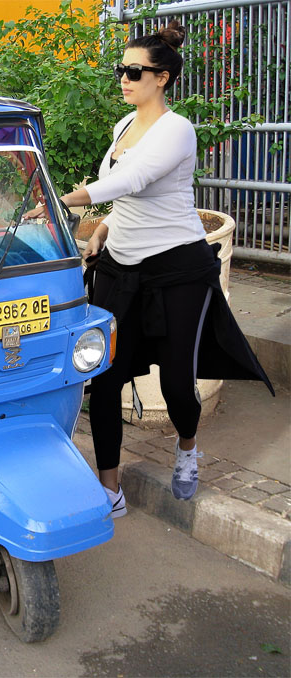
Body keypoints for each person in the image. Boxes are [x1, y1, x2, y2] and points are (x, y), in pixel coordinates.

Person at [53, 21, 273, 517]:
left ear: (163, 79)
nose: (124, 79)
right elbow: (125, 198)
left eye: (134, 71)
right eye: (121, 70)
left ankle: (187, 449)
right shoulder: (122, 127)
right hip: (120, 268)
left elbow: (135, 177)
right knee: (103, 378)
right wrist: (103, 228)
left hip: (177, 270)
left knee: (177, 383)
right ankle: (109, 490)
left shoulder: (177, 129)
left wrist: (63, 200)